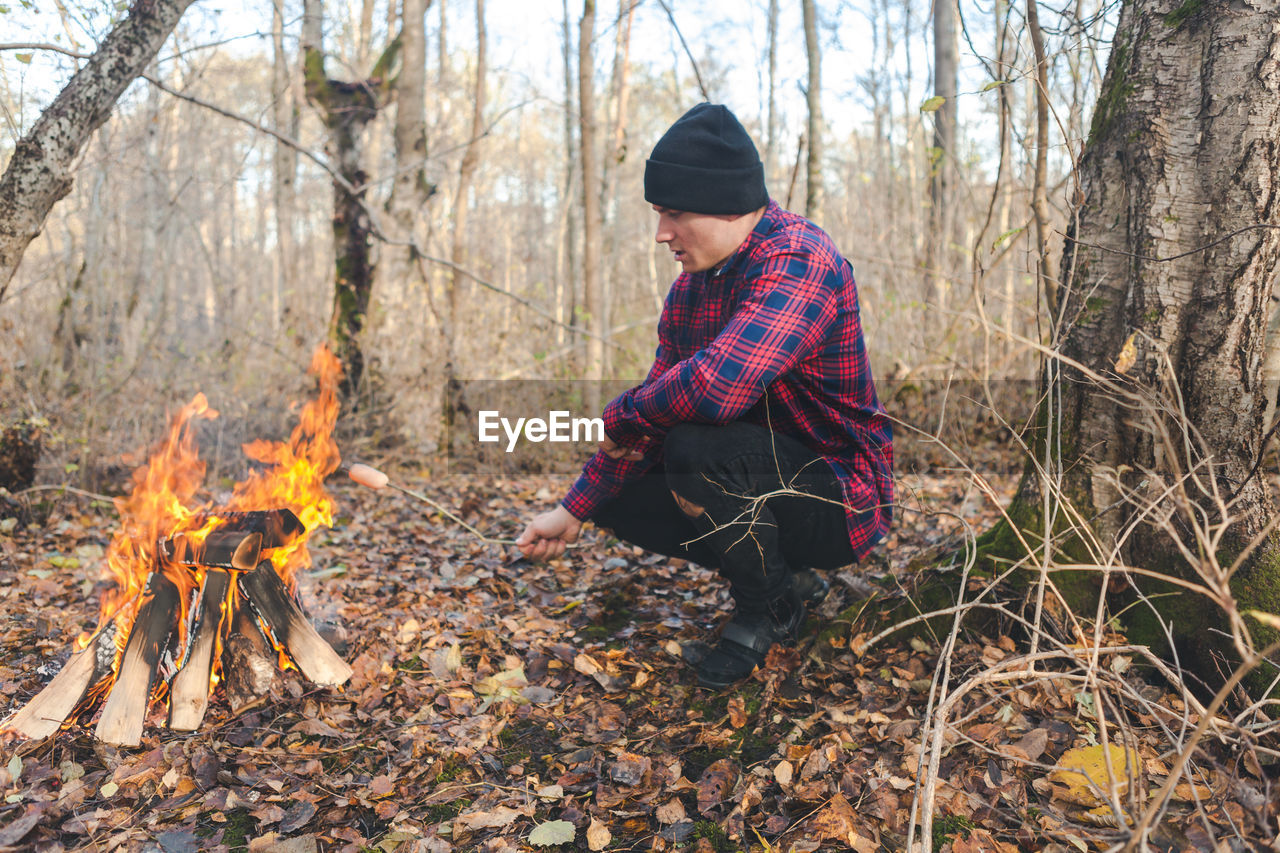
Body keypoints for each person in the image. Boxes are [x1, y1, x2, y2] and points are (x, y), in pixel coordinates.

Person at [517, 103, 893, 688]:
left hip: (841, 497)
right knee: (620, 491)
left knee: (697, 447)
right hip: (762, 479)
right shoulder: (690, 293)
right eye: (657, 213)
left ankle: (765, 612)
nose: (662, 233)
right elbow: (648, 420)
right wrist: (571, 510)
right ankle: (784, 582)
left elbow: (718, 389)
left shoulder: (800, 259)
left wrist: (619, 414)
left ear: (727, 204)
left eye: (674, 213)